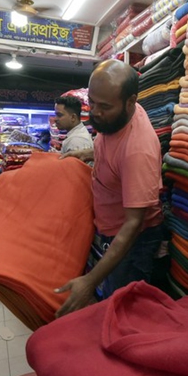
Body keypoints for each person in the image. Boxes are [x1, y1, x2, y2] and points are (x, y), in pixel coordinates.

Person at [55, 59, 163, 316]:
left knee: (123, 309)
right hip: (111, 230)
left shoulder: (139, 150)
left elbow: (133, 225)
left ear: (130, 101)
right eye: (91, 102)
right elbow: (113, 150)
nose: (95, 112)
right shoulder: (117, 118)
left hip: (131, 241)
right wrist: (86, 153)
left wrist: (89, 281)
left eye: (104, 106)